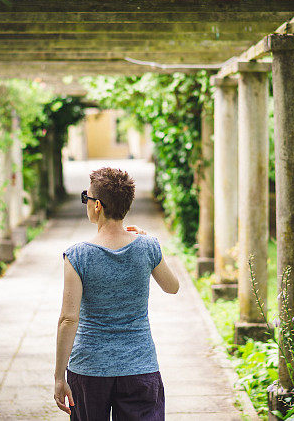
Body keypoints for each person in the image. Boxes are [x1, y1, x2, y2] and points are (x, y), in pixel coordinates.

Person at [54, 167, 180, 420]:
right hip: (140, 366)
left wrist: (59, 376)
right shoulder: (148, 246)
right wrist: (150, 244)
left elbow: (69, 318)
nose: (85, 203)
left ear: (97, 205)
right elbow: (172, 286)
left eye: (86, 198)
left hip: (89, 368)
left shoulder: (78, 255)